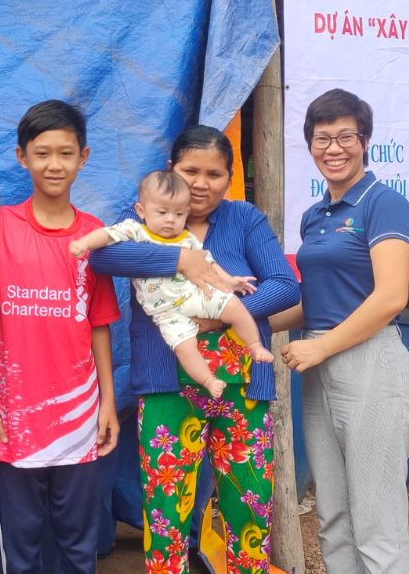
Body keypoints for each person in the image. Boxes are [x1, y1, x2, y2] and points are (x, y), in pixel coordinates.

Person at [88, 126, 299, 574]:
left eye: (215, 174)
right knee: (166, 512)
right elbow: (102, 258)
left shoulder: (243, 219)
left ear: (228, 177)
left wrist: (226, 312)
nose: (202, 183)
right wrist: (179, 259)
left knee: (249, 505)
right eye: (191, 171)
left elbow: (284, 286)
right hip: (167, 385)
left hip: (243, 386)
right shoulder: (146, 216)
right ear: (172, 169)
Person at [0, 99, 121, 574]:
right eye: (42, 153)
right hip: (14, 411)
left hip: (79, 412)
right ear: (22, 157)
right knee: (22, 544)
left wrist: (108, 403)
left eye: (65, 153)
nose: (53, 164)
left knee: (80, 543)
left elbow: (98, 323)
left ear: (83, 157)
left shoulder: (95, 235)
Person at [278, 89, 409, 574]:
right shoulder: (314, 216)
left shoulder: (384, 203)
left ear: (365, 141)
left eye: (344, 137)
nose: (333, 149)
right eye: (322, 139)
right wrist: (232, 317)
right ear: (310, 145)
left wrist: (321, 348)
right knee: (332, 514)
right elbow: (312, 301)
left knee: (377, 520)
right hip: (319, 365)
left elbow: (390, 297)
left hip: (368, 362)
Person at [70, 170, 272, 399]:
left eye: (178, 214)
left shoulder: (187, 238)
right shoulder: (135, 230)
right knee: (184, 346)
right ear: (141, 211)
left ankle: (255, 345)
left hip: (195, 297)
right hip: (165, 312)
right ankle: (208, 379)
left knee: (235, 306)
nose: (170, 219)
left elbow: (209, 265)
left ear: (186, 213)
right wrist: (85, 243)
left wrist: (228, 281)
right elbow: (106, 237)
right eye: (162, 212)